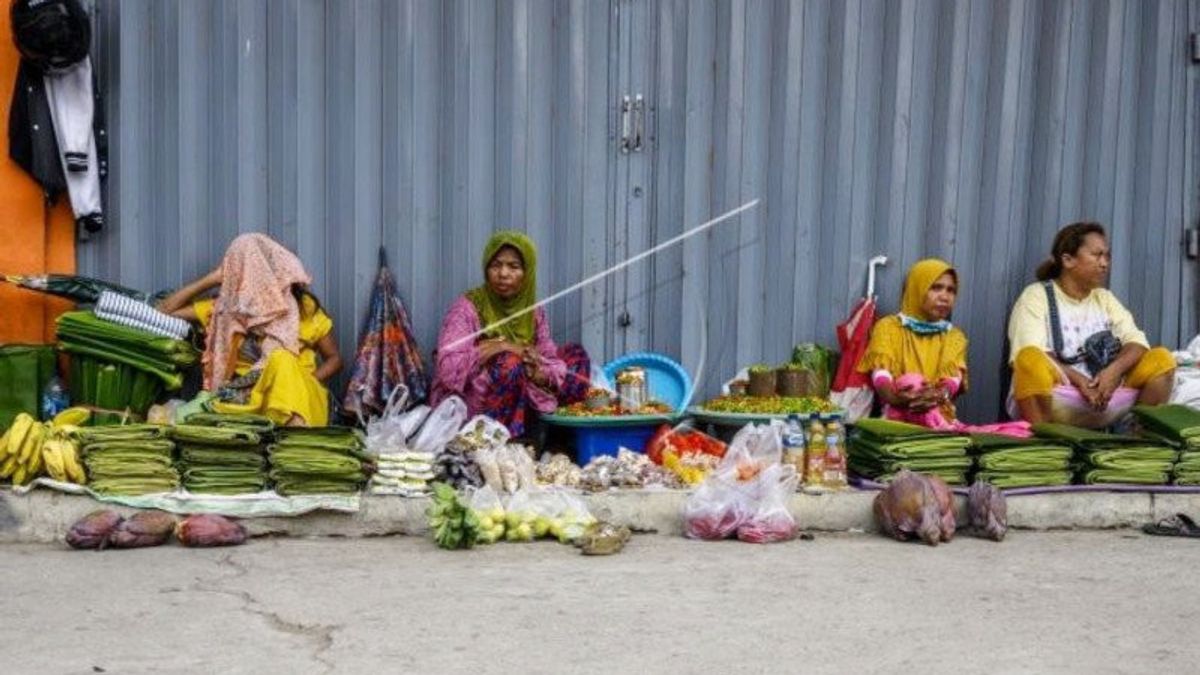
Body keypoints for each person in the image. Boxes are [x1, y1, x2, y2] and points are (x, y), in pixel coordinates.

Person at [158, 233, 342, 426]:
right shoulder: (225, 311)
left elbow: (335, 359)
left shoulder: (303, 308)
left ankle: (294, 432)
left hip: (299, 399)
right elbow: (164, 310)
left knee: (281, 359)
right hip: (248, 397)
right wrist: (212, 279)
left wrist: (303, 382)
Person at [1007, 222, 1175, 426]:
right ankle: (1045, 442)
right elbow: (1032, 351)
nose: (1104, 263)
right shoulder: (1036, 295)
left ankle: (1136, 440)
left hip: (1105, 397)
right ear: (1068, 260)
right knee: (1029, 359)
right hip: (1059, 400)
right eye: (1097, 255)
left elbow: (1137, 342)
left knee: (1162, 360)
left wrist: (1113, 372)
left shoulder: (1104, 298)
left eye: (1107, 256)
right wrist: (1081, 382)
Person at [431, 230, 590, 437]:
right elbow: (447, 369)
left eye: (513, 267)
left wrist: (538, 371)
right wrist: (495, 350)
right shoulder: (467, 308)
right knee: (509, 363)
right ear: (486, 269)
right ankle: (490, 440)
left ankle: (551, 436)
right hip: (472, 402)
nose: (503, 274)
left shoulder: (534, 312)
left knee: (576, 358)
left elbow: (547, 355)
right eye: (496, 265)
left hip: (524, 389)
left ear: (528, 272)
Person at [857, 258, 969, 425]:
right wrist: (895, 398)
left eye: (951, 290)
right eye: (936, 287)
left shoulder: (954, 337)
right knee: (912, 382)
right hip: (896, 418)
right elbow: (881, 373)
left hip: (939, 419)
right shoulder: (889, 327)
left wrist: (938, 396)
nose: (945, 297)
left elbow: (953, 379)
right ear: (916, 289)